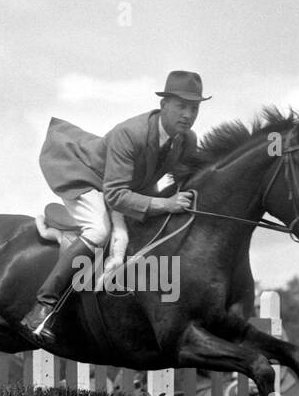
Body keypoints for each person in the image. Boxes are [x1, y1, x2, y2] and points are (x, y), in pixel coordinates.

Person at [20, 70, 207, 346]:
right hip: (85, 175)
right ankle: (43, 306)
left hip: (123, 185)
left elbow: (182, 181)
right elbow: (117, 195)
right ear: (163, 105)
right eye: (181, 106)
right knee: (99, 231)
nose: (188, 115)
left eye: (194, 108)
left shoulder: (186, 139)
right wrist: (164, 203)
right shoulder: (130, 134)